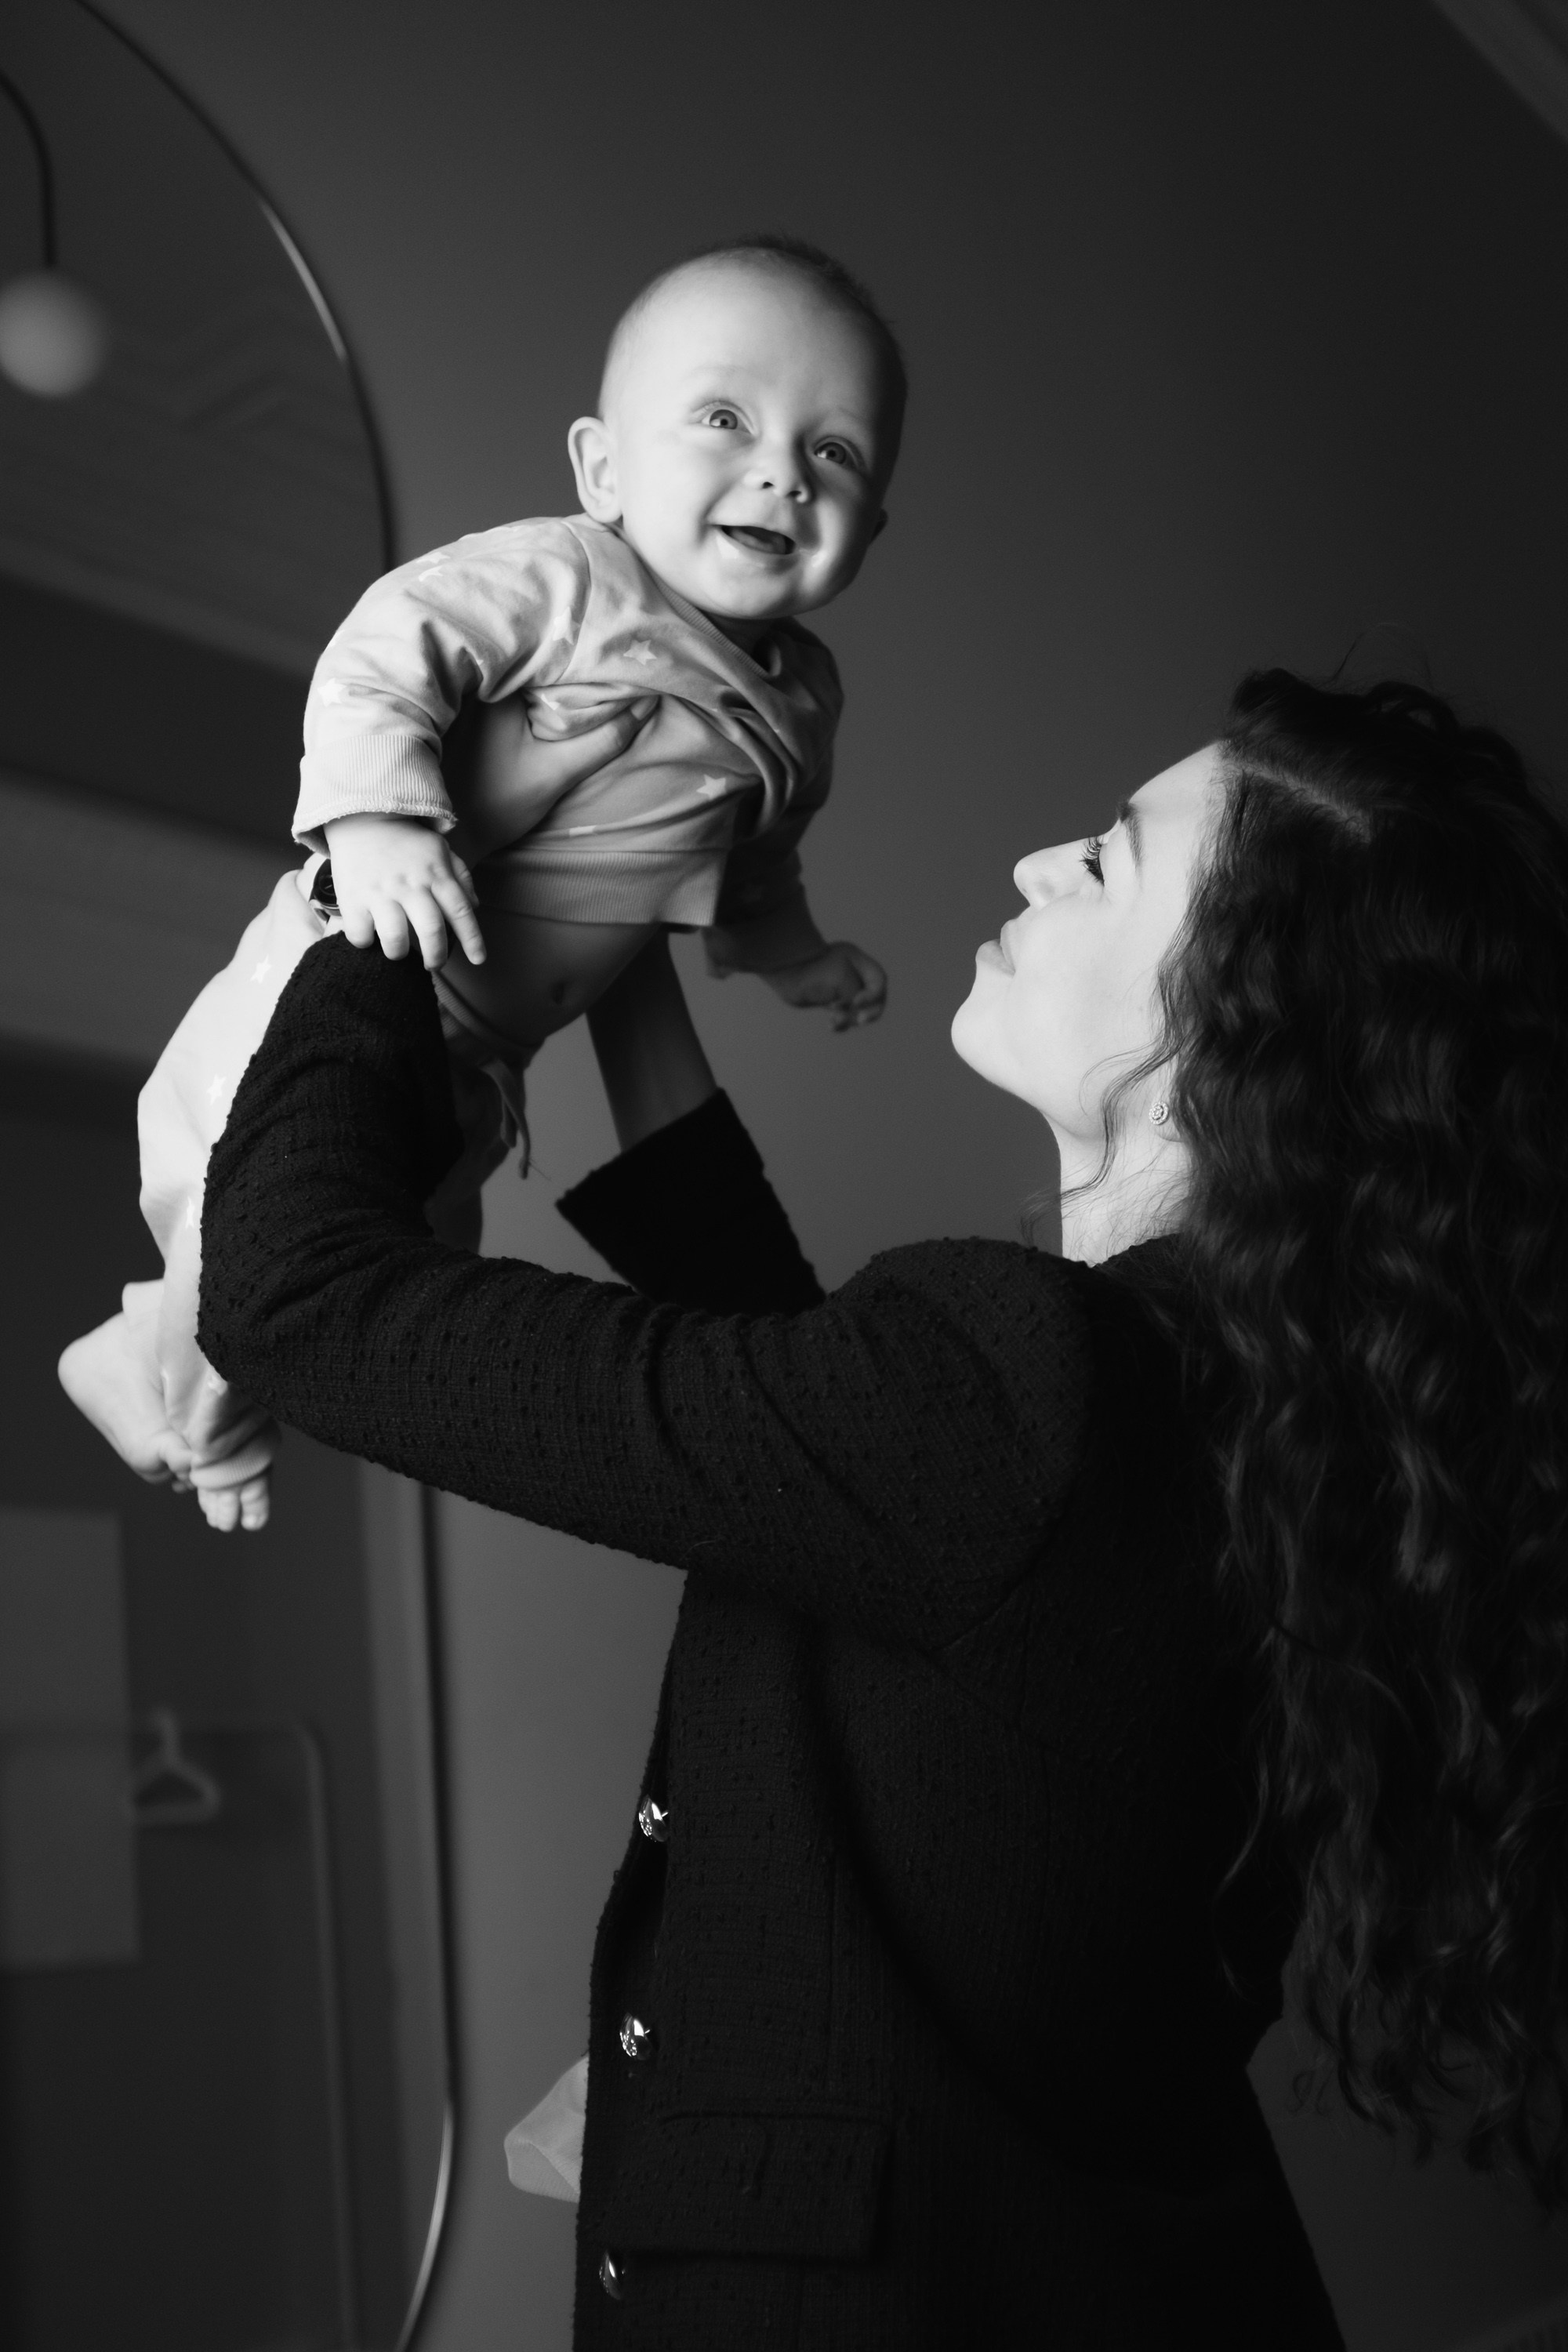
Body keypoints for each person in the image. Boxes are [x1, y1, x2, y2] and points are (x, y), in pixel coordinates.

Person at [194, 670, 1568, 2346]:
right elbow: (811, 1425)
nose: (1041, 863)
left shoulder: (1030, 1392)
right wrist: (625, 933)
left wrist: (375, 877)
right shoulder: (1273, 1419)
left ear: (1237, 1007)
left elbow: (298, 1296)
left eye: (1110, 857)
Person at [57, 231, 899, 1530]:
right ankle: (152, 1384)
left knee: (393, 1276)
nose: (784, 470)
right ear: (603, 469)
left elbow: (758, 850)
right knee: (262, 1223)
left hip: (483, 1067)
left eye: (833, 450)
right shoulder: (570, 579)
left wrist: (787, 952)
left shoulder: (803, 702)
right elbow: (386, 652)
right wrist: (379, 822)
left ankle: (171, 1375)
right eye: (726, 418)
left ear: (872, 526)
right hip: (338, 971)